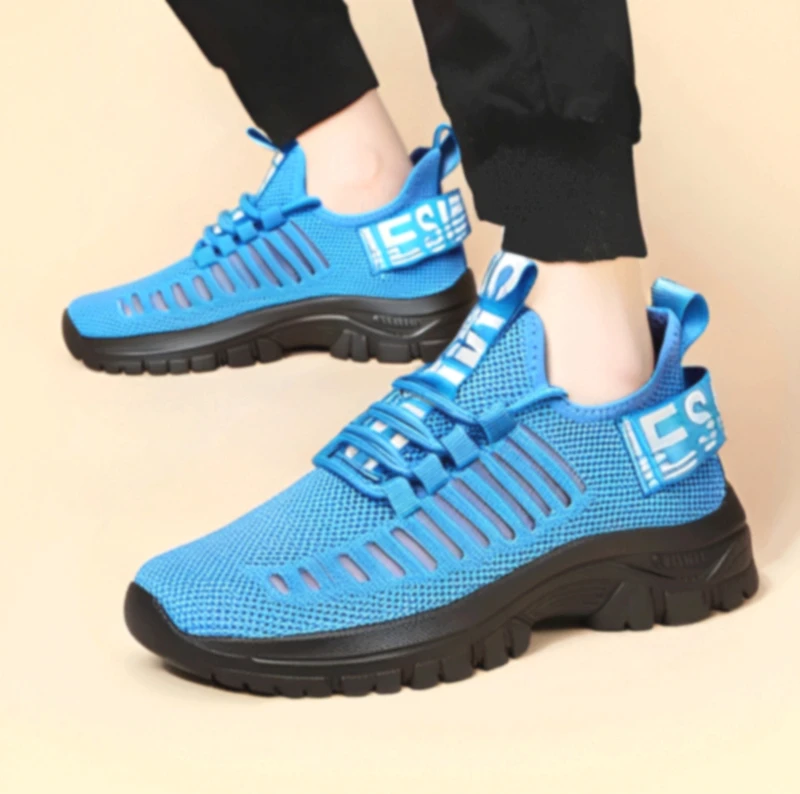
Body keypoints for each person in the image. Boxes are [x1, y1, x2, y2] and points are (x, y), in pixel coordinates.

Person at [73, 1, 757, 695]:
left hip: (593, 373)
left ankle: (594, 355)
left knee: (571, 278)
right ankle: (349, 166)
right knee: (322, 118)